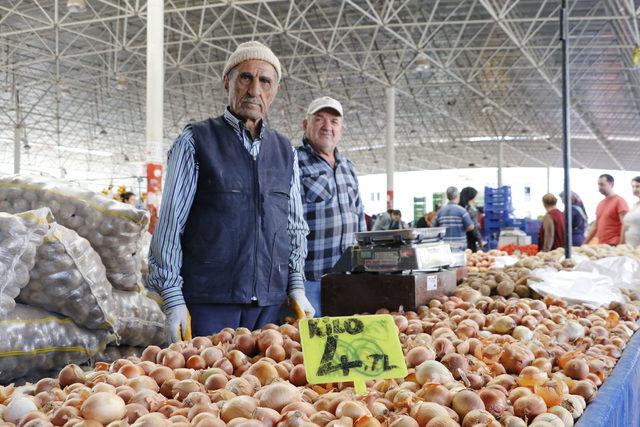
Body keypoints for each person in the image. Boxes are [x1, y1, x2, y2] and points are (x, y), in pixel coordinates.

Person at [149, 41, 314, 343]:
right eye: (245, 77)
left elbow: (294, 228)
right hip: (211, 301)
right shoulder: (196, 141)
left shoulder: (285, 152)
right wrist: (173, 298)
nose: (254, 90)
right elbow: (170, 224)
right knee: (209, 385)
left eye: (265, 80)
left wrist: (296, 288)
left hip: (269, 303)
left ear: (275, 90)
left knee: (265, 384)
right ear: (227, 81)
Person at [297, 96, 366, 317]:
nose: (328, 126)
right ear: (306, 124)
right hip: (309, 281)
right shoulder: (293, 161)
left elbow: (359, 218)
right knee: (305, 346)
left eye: (334, 121)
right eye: (320, 119)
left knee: (344, 345)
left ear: (342, 128)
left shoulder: (348, 166)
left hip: (347, 279)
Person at [585, 174, 629, 245]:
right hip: (602, 244)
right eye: (598, 185)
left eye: (602, 184)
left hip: (615, 244)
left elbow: (625, 224)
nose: (599, 188)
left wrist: (621, 245)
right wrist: (584, 243)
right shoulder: (600, 204)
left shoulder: (619, 201)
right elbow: (595, 227)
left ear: (611, 184)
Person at [459, 187, 484, 252]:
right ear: (471, 197)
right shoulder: (469, 210)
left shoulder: (458, 208)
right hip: (469, 240)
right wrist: (479, 240)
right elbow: (474, 227)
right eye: (475, 197)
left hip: (459, 239)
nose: (475, 199)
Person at [623, 177, 640, 247]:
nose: (635, 189)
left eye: (638, 186)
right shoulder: (635, 205)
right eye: (633, 187)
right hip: (629, 246)